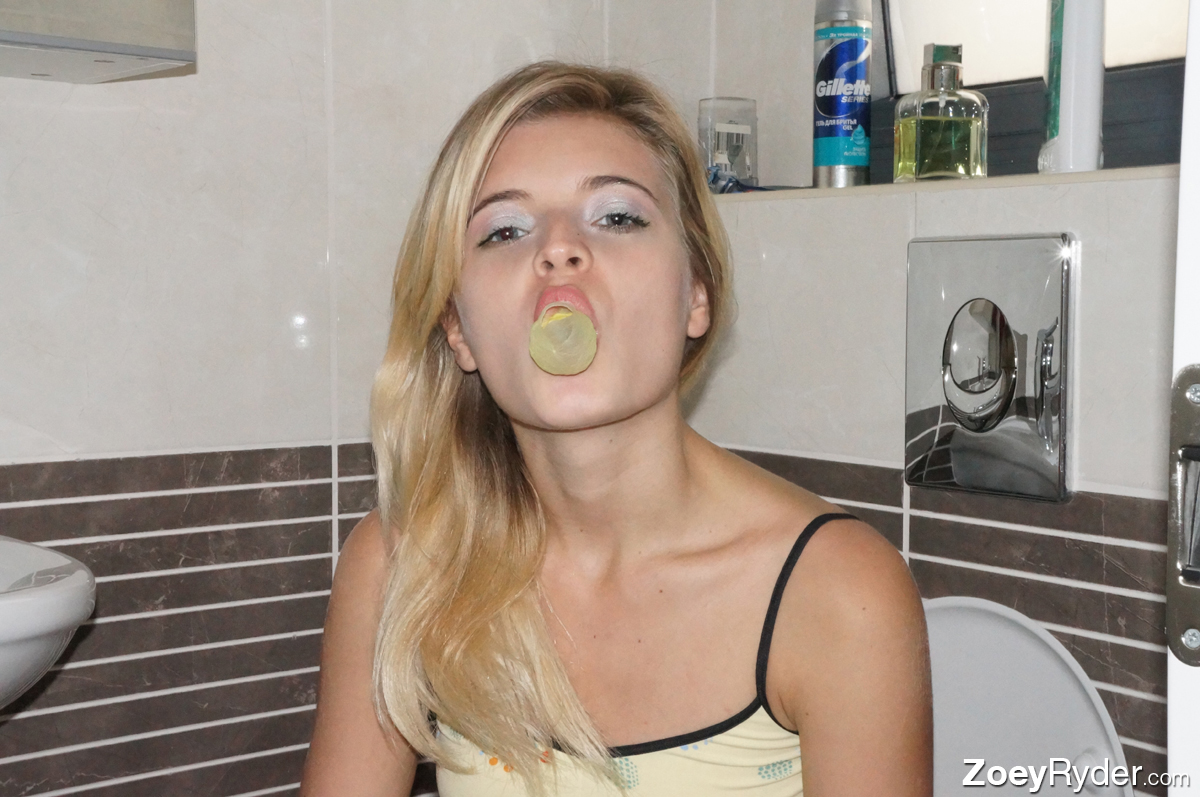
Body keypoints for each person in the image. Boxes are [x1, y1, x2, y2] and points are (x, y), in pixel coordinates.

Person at [300, 61, 932, 797]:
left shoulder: (838, 594)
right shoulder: (404, 567)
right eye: (504, 230)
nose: (558, 250)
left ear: (696, 294)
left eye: (618, 217)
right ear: (458, 329)